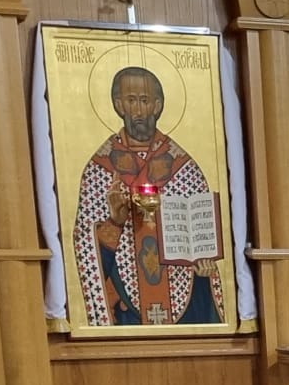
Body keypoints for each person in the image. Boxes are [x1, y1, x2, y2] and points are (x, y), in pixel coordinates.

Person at [72, 65, 226, 326]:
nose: (139, 111)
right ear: (119, 105)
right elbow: (87, 251)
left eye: (145, 101)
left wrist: (204, 269)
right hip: (126, 306)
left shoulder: (183, 167)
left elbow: (203, 245)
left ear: (158, 105)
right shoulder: (101, 168)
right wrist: (115, 222)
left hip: (184, 302)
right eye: (131, 101)